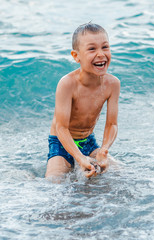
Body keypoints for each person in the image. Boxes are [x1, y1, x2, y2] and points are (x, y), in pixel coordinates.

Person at [45, 23, 120, 180]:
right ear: (76, 56)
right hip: (61, 142)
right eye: (92, 49)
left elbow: (111, 124)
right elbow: (61, 128)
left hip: (88, 141)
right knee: (54, 182)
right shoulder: (67, 84)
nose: (100, 54)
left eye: (105, 47)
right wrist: (80, 159)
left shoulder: (112, 84)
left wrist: (103, 150)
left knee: (119, 173)